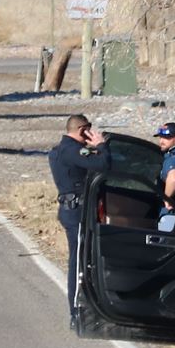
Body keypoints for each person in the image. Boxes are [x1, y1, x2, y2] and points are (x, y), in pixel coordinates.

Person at [48, 114, 106, 309]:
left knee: (80, 259)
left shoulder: (60, 150)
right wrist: (101, 146)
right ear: (82, 130)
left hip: (71, 210)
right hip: (77, 213)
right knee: (78, 262)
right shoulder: (73, 151)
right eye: (89, 129)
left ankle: (82, 305)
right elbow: (103, 165)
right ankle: (76, 309)